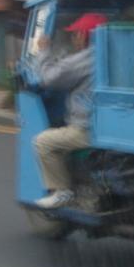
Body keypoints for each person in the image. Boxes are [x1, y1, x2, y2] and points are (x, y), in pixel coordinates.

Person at [33, 13, 108, 209]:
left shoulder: (86, 58)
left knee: (43, 142)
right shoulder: (115, 54)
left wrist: (43, 52)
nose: (73, 39)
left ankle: (61, 191)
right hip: (114, 125)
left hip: (88, 129)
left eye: (75, 34)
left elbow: (48, 79)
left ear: (83, 36)